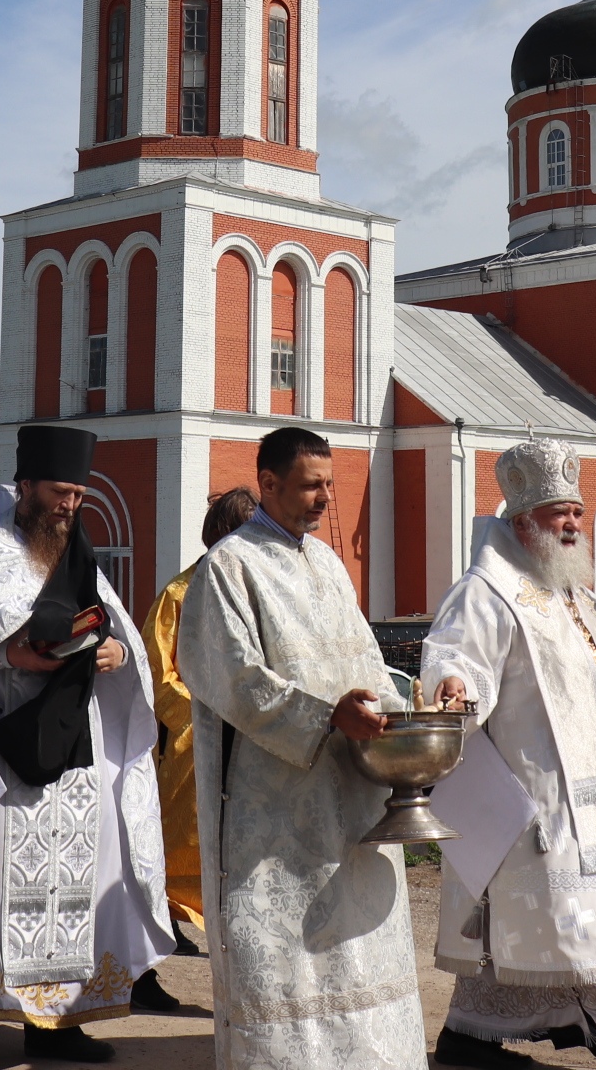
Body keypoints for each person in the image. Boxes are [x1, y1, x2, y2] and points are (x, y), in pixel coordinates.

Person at [422, 441, 596, 1070]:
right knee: (572, 921)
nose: (574, 525)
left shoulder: (580, 600)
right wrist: (455, 687)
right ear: (522, 522)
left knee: (549, 927)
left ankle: (470, 1036)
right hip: (535, 802)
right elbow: (455, 656)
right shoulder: (487, 592)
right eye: (558, 513)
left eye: (577, 512)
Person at [0, 425, 176, 1063]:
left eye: (79, 495)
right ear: (27, 484)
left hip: (75, 743)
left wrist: (115, 648)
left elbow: (105, 618)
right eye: (61, 492)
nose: (69, 505)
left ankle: (56, 1021)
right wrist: (12, 651)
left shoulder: (73, 544)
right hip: (1, 742)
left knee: (75, 884)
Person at [177, 426, 422, 1069]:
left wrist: (404, 716)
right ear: (268, 483)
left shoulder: (331, 565)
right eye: (311, 485)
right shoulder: (229, 566)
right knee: (284, 961)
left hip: (348, 796)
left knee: (355, 951)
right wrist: (323, 716)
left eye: (329, 487)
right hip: (271, 812)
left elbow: (363, 661)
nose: (323, 499)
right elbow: (229, 675)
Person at [140, 486, 256, 950]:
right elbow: (157, 669)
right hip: (195, 735)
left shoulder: (257, 593)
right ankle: (171, 914)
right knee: (186, 827)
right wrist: (202, 711)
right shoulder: (179, 592)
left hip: (252, 729)